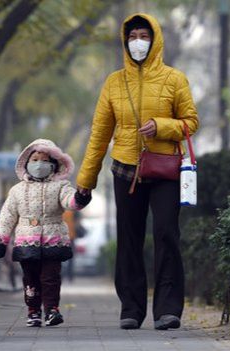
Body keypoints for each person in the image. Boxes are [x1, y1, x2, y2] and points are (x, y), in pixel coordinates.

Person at [76, 13, 199, 330]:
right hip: (125, 170)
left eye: (144, 36)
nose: (138, 42)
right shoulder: (114, 82)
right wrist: (85, 182)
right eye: (132, 37)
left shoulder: (175, 79)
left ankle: (168, 310)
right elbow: (99, 135)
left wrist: (161, 126)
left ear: (155, 39)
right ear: (124, 41)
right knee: (129, 239)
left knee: (166, 234)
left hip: (164, 168)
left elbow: (191, 123)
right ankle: (131, 308)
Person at [0, 139, 91, 327]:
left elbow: (71, 202)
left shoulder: (61, 186)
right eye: (34, 159)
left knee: (50, 278)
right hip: (27, 242)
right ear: (26, 163)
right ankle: (33, 311)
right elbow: (7, 216)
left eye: (44, 160)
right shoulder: (17, 191)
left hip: (53, 240)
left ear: (54, 164)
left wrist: (81, 196)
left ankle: (52, 310)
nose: (39, 164)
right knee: (30, 279)